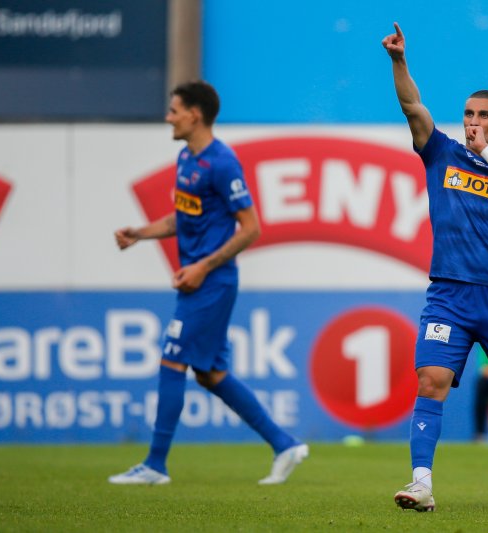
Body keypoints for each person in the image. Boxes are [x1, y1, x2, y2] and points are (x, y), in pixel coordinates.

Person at [108, 80, 308, 486]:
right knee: (210, 374)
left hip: (212, 283)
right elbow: (183, 217)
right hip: (199, 281)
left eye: (174, 110)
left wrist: (203, 266)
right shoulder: (186, 158)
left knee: (171, 359)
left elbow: (251, 228)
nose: (169, 117)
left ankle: (155, 466)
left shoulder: (222, 162)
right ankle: (285, 444)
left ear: (194, 114)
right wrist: (140, 233)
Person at [382, 23, 488, 512]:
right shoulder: (442, 152)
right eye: (469, 113)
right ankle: (421, 483)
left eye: (483, 115)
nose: (473, 121)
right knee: (430, 380)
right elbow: (413, 108)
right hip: (449, 293)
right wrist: (399, 62)